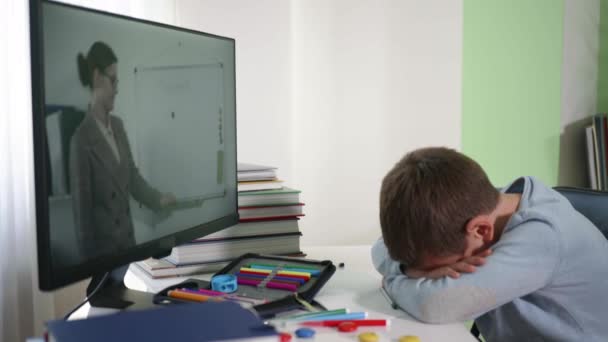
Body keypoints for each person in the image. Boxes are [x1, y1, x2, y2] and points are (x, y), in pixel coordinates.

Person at [371, 147, 608, 341]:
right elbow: (379, 248)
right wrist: (407, 270)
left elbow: (435, 305)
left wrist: (393, 279)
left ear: (481, 229)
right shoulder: (479, 203)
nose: (430, 275)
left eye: (433, 270)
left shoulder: (544, 237)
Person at [70, 41, 176, 259]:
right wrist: (90, 269)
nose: (117, 88)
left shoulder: (117, 126)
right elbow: (83, 223)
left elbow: (132, 177)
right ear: (97, 76)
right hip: (103, 257)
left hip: (128, 245)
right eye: (113, 79)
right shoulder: (80, 140)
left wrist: (158, 199)